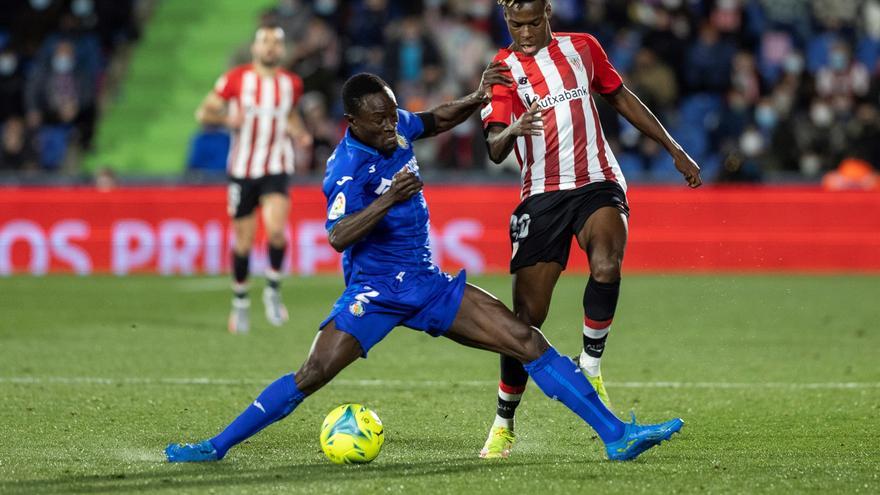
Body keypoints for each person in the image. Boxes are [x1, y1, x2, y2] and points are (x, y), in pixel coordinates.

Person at [165, 71, 684, 464]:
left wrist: (477, 100)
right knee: (313, 374)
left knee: (525, 340)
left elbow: (433, 119)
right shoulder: (347, 167)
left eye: (393, 114)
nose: (392, 125)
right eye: (380, 119)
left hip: (429, 286)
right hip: (374, 294)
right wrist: (387, 199)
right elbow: (337, 235)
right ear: (354, 123)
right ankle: (216, 447)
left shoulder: (395, 131)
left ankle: (616, 437)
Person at [479, 0, 702, 459]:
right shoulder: (500, 71)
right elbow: (495, 147)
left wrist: (673, 148)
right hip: (541, 196)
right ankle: (504, 421)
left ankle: (591, 365)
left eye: (532, 22)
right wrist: (514, 129)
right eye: (514, 24)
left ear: (548, 14)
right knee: (525, 322)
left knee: (606, 262)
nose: (523, 32)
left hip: (597, 180)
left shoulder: (583, 48)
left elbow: (620, 96)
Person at [195, 25, 312, 333]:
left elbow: (288, 114)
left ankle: (272, 291)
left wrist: (299, 133)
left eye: (277, 42)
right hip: (243, 169)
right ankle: (241, 302)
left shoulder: (292, 84)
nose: (271, 47)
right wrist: (225, 119)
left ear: (282, 49)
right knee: (243, 243)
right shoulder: (236, 79)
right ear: (255, 48)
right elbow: (203, 113)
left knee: (276, 232)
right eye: (266, 42)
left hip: (276, 165)